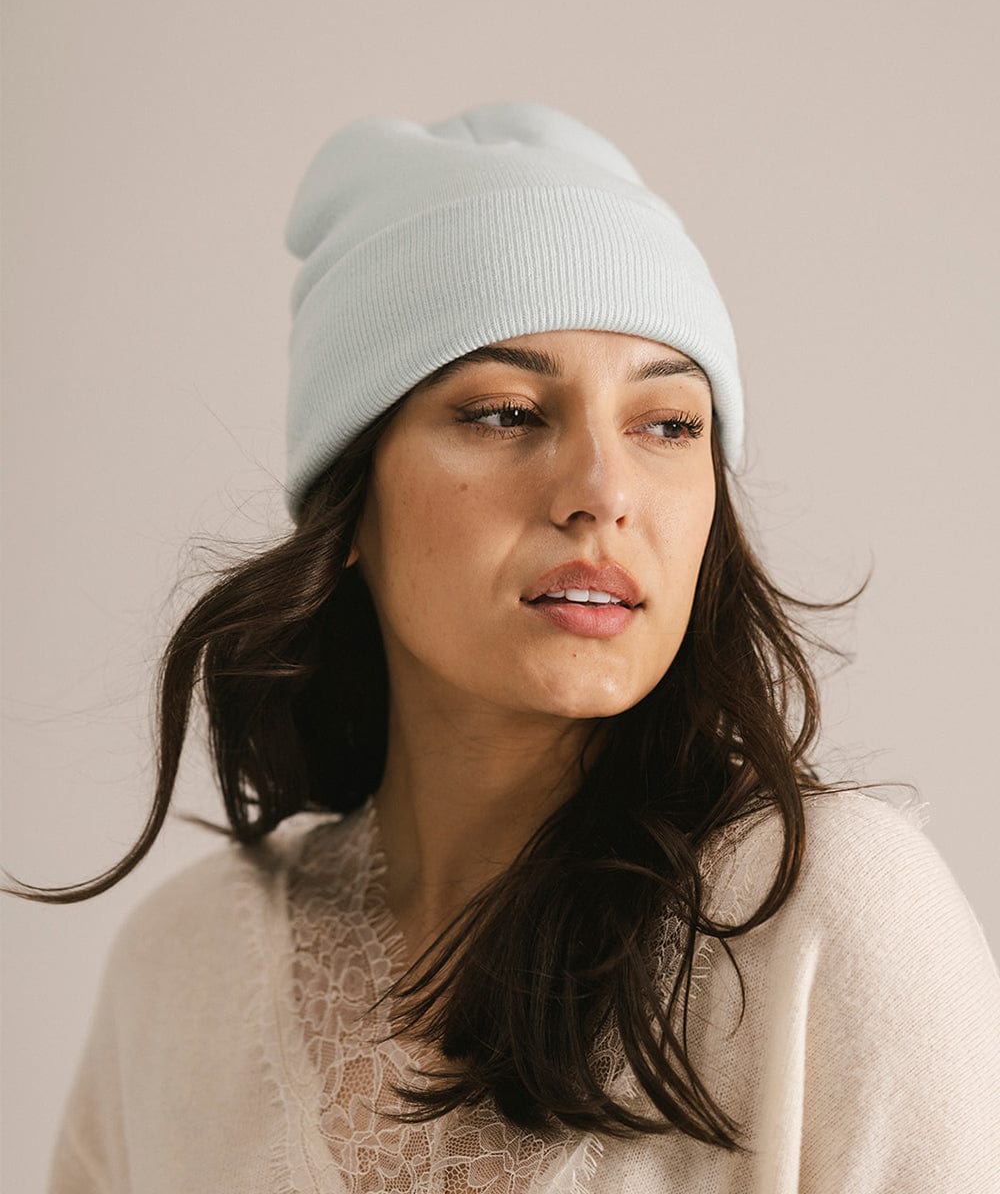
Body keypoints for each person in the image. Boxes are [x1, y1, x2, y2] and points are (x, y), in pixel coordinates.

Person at [12, 101, 999, 1192]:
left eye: (668, 424)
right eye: (504, 412)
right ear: (350, 504)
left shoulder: (825, 918)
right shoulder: (182, 969)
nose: (602, 493)